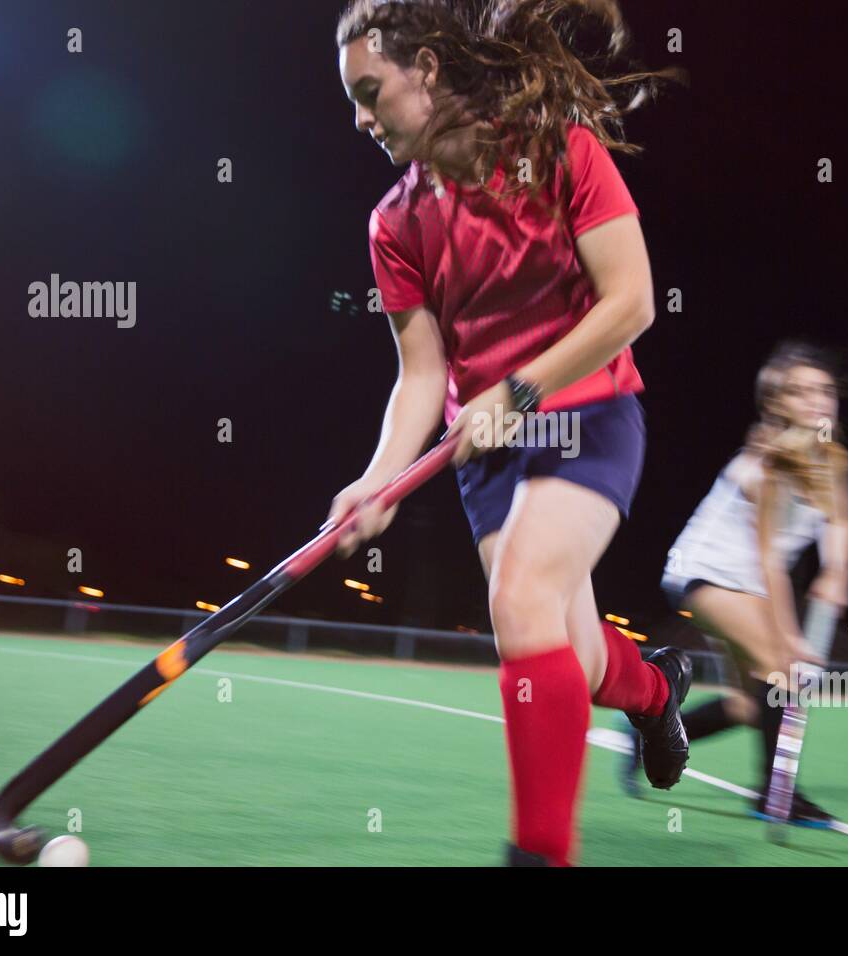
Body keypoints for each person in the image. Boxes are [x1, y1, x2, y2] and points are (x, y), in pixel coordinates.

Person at [331, 0, 689, 866]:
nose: (360, 118)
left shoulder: (562, 152)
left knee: (521, 600)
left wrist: (521, 389)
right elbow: (422, 374)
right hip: (483, 452)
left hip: (590, 416)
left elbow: (631, 302)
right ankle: (654, 690)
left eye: (372, 91)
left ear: (426, 68)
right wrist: (379, 477)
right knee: (571, 648)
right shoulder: (394, 224)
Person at [630, 341, 848, 826]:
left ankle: (644, 734)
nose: (818, 401)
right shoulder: (765, 466)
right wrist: (791, 637)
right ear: (778, 405)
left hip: (749, 584)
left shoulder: (832, 461)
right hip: (706, 573)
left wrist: (836, 570)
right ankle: (775, 795)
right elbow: (769, 562)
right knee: (781, 669)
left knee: (745, 706)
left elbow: (843, 524)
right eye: (800, 393)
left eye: (824, 391)